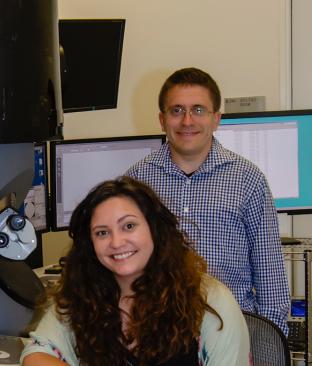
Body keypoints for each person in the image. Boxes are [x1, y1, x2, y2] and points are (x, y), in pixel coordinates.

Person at [126, 67, 290, 335]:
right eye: (177, 110)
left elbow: (270, 278)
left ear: (216, 119)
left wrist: (268, 347)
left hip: (231, 331)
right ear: (162, 119)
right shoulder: (136, 181)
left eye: (198, 110)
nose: (187, 121)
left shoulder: (248, 180)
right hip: (156, 332)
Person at [21, 176, 250, 366]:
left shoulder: (210, 301)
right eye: (102, 232)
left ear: (154, 229)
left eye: (128, 226)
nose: (117, 242)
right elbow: (37, 353)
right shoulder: (83, 295)